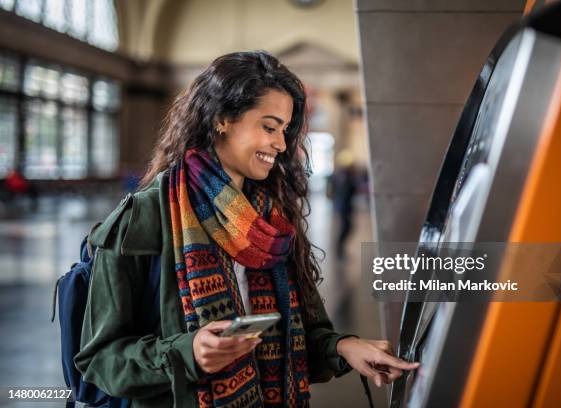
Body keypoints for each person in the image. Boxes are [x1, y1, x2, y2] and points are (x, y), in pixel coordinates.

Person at [74, 51, 418, 408]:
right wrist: (188, 352)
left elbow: (300, 335)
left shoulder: (272, 220)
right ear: (222, 119)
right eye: (269, 127)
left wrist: (344, 347)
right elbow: (99, 359)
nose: (282, 144)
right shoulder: (146, 215)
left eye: (284, 130)